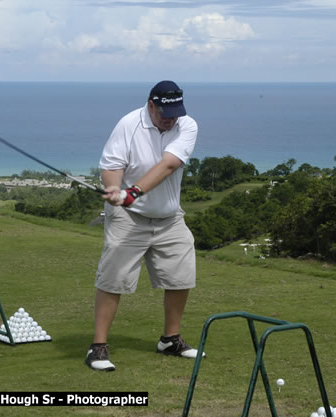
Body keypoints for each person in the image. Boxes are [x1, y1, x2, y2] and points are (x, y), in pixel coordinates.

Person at [85, 80, 204, 372]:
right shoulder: (128, 124)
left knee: (181, 276)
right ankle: (98, 347)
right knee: (114, 278)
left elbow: (169, 165)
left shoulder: (187, 126)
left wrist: (133, 191)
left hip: (169, 215)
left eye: (175, 112)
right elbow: (112, 166)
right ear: (151, 104)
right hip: (129, 217)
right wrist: (115, 190)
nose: (170, 118)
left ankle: (170, 339)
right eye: (164, 111)